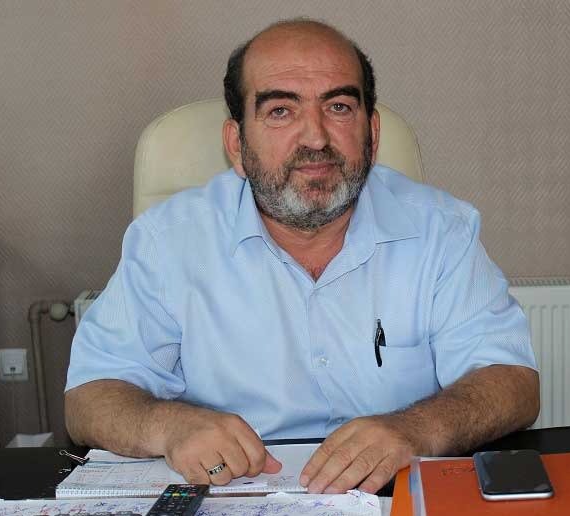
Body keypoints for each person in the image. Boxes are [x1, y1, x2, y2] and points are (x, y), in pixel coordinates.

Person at [64, 19, 539, 495]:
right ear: (236, 145)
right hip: (235, 494)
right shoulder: (167, 241)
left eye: (338, 107)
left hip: (392, 491)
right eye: (280, 111)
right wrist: (170, 426)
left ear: (372, 134)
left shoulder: (442, 230)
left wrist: (418, 428)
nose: (315, 138)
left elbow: (512, 380)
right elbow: (90, 396)